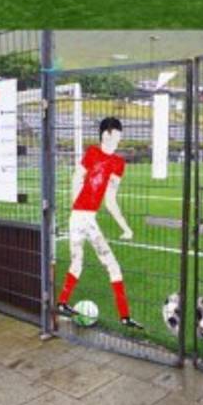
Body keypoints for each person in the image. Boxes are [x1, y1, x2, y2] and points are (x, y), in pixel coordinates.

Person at [56, 117, 143, 330]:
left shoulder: (118, 164)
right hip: (81, 216)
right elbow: (77, 177)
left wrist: (125, 226)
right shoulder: (92, 153)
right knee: (111, 265)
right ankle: (125, 317)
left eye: (120, 137)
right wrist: (75, 205)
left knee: (78, 262)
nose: (118, 140)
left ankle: (62, 303)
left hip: (84, 217)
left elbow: (111, 200)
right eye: (116, 135)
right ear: (105, 134)